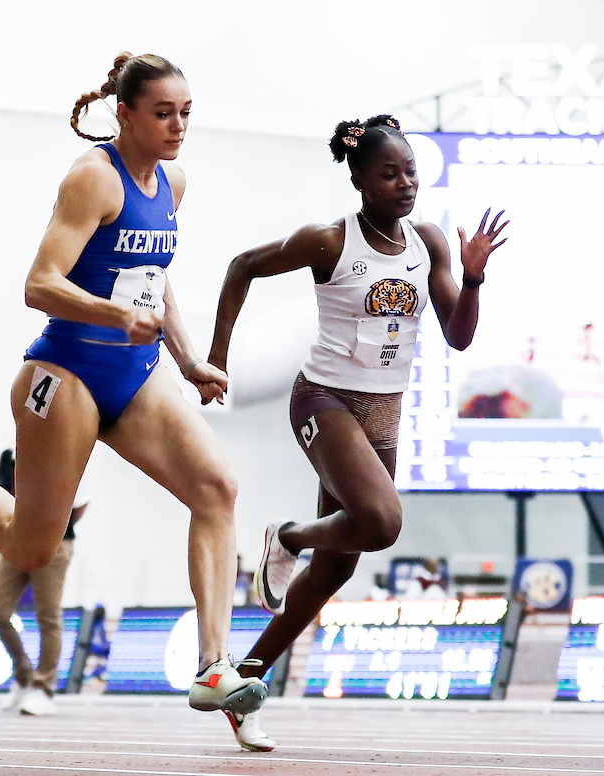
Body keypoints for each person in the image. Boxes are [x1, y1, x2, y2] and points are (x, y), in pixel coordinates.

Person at [0, 52, 268, 734]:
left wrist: (186, 360)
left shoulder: (173, 182)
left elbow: (155, 273)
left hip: (138, 373)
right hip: (62, 373)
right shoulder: (92, 177)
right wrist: (114, 314)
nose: (178, 126)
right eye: (163, 114)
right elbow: (40, 283)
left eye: (186, 113)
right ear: (123, 113)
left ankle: (214, 667)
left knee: (218, 490)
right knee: (32, 549)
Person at [206, 114, 507, 750]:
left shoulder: (428, 242)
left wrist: (473, 279)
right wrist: (217, 360)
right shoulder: (328, 241)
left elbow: (458, 334)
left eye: (412, 172)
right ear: (361, 181)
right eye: (389, 173)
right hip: (324, 399)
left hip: (384, 410)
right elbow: (240, 267)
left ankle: (245, 684)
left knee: (339, 567)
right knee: (382, 523)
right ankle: (285, 537)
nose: (405, 184)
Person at [0, 450, 91, 716]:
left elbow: (80, 502)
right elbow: (1, 499)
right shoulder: (8, 454)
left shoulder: (62, 446)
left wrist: (57, 528)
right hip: (16, 539)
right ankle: (23, 675)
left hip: (55, 540)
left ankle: (44, 687)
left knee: (48, 614)